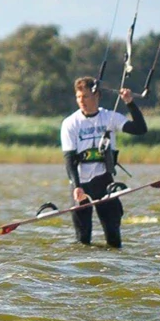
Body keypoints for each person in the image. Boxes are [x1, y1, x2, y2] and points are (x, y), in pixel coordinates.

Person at [60, 76, 148, 248]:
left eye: (85, 96)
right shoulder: (70, 123)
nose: (81, 101)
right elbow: (69, 159)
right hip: (81, 184)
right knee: (83, 239)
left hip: (104, 181)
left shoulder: (110, 117)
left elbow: (140, 129)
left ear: (97, 95)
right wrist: (77, 187)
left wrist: (130, 103)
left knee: (114, 237)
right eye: (78, 97)